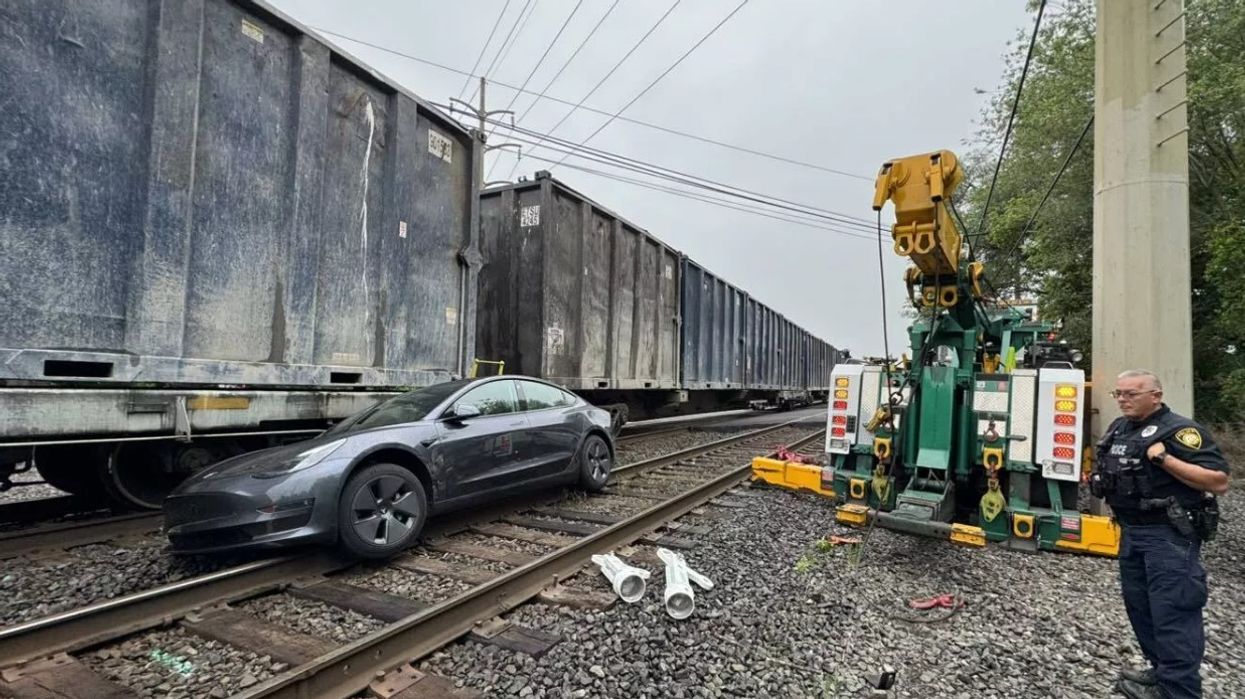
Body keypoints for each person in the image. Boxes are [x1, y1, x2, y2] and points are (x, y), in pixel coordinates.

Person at [1091, 370, 1230, 699]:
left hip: (1168, 535)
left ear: (1155, 396)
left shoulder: (1180, 431)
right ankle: (1161, 673)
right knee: (1141, 608)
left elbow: (1218, 481)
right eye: (1119, 394)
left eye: (1131, 394)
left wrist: (1165, 459)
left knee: (1173, 611)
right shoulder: (1120, 428)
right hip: (1131, 532)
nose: (1123, 400)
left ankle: (1179, 690)